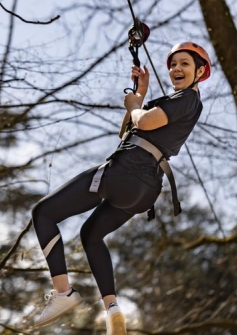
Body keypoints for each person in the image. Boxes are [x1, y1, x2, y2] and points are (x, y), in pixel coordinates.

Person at [31, 42, 211, 334]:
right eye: (173, 64)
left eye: (184, 64)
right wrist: (139, 94)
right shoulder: (179, 101)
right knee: (91, 234)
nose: (176, 69)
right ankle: (112, 308)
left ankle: (63, 293)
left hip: (125, 173)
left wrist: (137, 106)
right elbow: (128, 130)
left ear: (200, 71)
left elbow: (145, 121)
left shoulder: (187, 100)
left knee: (43, 213)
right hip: (145, 190)